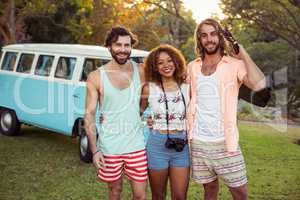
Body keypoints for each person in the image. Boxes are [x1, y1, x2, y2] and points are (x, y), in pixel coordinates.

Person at [187, 18, 266, 200]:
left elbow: (259, 84)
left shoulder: (234, 65)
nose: (209, 39)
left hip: (225, 143)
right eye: (204, 35)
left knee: (239, 192)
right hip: (198, 141)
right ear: (199, 39)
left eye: (214, 34)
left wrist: (242, 52)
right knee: (210, 189)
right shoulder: (193, 66)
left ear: (221, 37)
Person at [84, 26, 147, 200]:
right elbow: (89, 115)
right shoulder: (96, 77)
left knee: (140, 195)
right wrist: (95, 150)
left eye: (127, 45)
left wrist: (137, 113)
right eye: (118, 45)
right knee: (115, 191)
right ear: (109, 46)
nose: (123, 49)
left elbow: (149, 95)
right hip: (110, 147)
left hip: (136, 146)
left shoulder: (141, 71)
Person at [140, 44, 190, 200]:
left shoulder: (187, 86)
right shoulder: (149, 88)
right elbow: (138, 114)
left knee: (180, 196)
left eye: (169, 61)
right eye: (160, 62)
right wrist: (146, 120)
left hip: (182, 145)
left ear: (176, 62)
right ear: (154, 67)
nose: (166, 65)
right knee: (158, 195)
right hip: (157, 145)